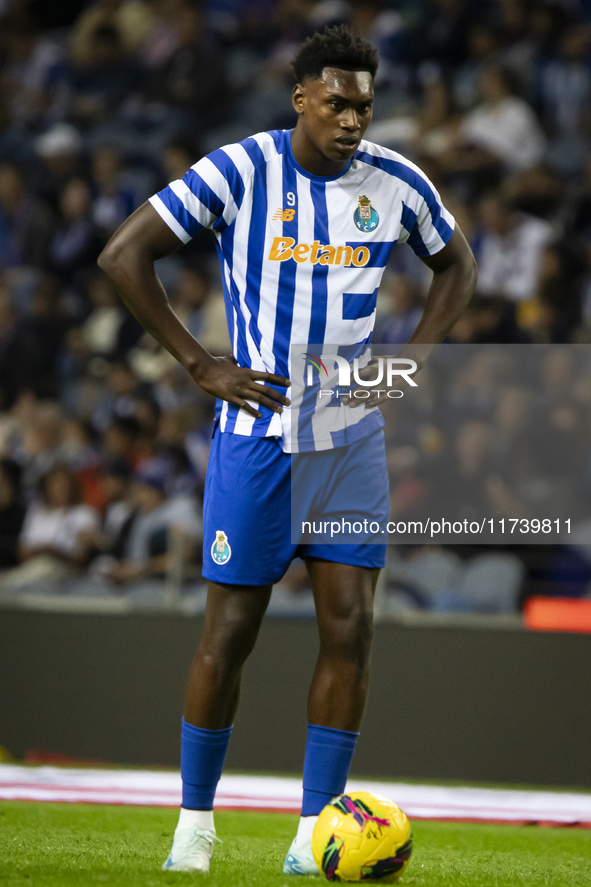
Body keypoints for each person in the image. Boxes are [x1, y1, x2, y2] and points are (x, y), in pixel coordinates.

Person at [98, 24, 477, 875]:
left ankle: (313, 836)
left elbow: (458, 266)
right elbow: (124, 254)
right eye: (336, 103)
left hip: (349, 438)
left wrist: (409, 361)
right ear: (300, 98)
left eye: (364, 106)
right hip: (257, 436)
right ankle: (194, 826)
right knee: (230, 634)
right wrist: (200, 363)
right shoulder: (242, 170)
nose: (351, 120)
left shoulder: (397, 183)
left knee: (350, 631)